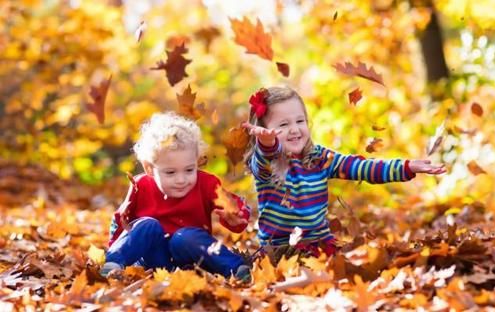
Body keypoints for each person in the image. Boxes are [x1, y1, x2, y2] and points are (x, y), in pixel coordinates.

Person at [242, 86, 446, 256]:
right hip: (281, 249)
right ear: (262, 131)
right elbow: (264, 161)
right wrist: (267, 145)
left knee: (360, 263)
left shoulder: (319, 158)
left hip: (320, 243)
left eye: (300, 121)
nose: (295, 129)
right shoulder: (266, 165)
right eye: (283, 125)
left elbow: (361, 168)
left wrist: (406, 166)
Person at [101, 112, 251, 281]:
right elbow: (121, 220)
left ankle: (236, 269)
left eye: (189, 170)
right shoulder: (140, 186)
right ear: (150, 168)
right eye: (170, 172)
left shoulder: (207, 184)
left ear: (196, 161)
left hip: (189, 258)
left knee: (185, 237)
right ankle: (112, 266)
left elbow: (234, 207)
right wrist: (116, 250)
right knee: (147, 225)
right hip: (152, 259)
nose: (181, 180)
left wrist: (237, 217)